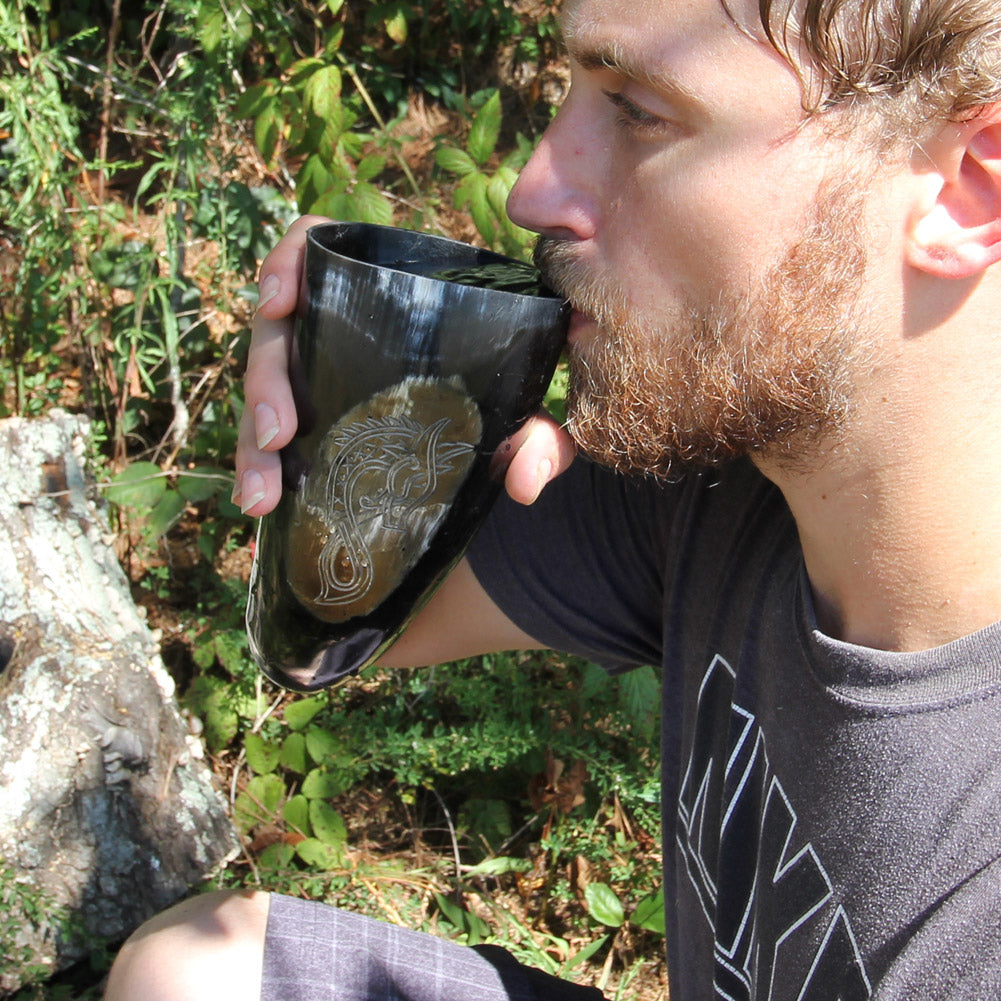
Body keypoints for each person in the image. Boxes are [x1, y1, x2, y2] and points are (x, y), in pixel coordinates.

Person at [105, 0, 1001, 996]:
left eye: (636, 110)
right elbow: (332, 633)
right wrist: (357, 386)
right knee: (196, 973)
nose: (531, 188)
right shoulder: (723, 492)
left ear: (961, 188)